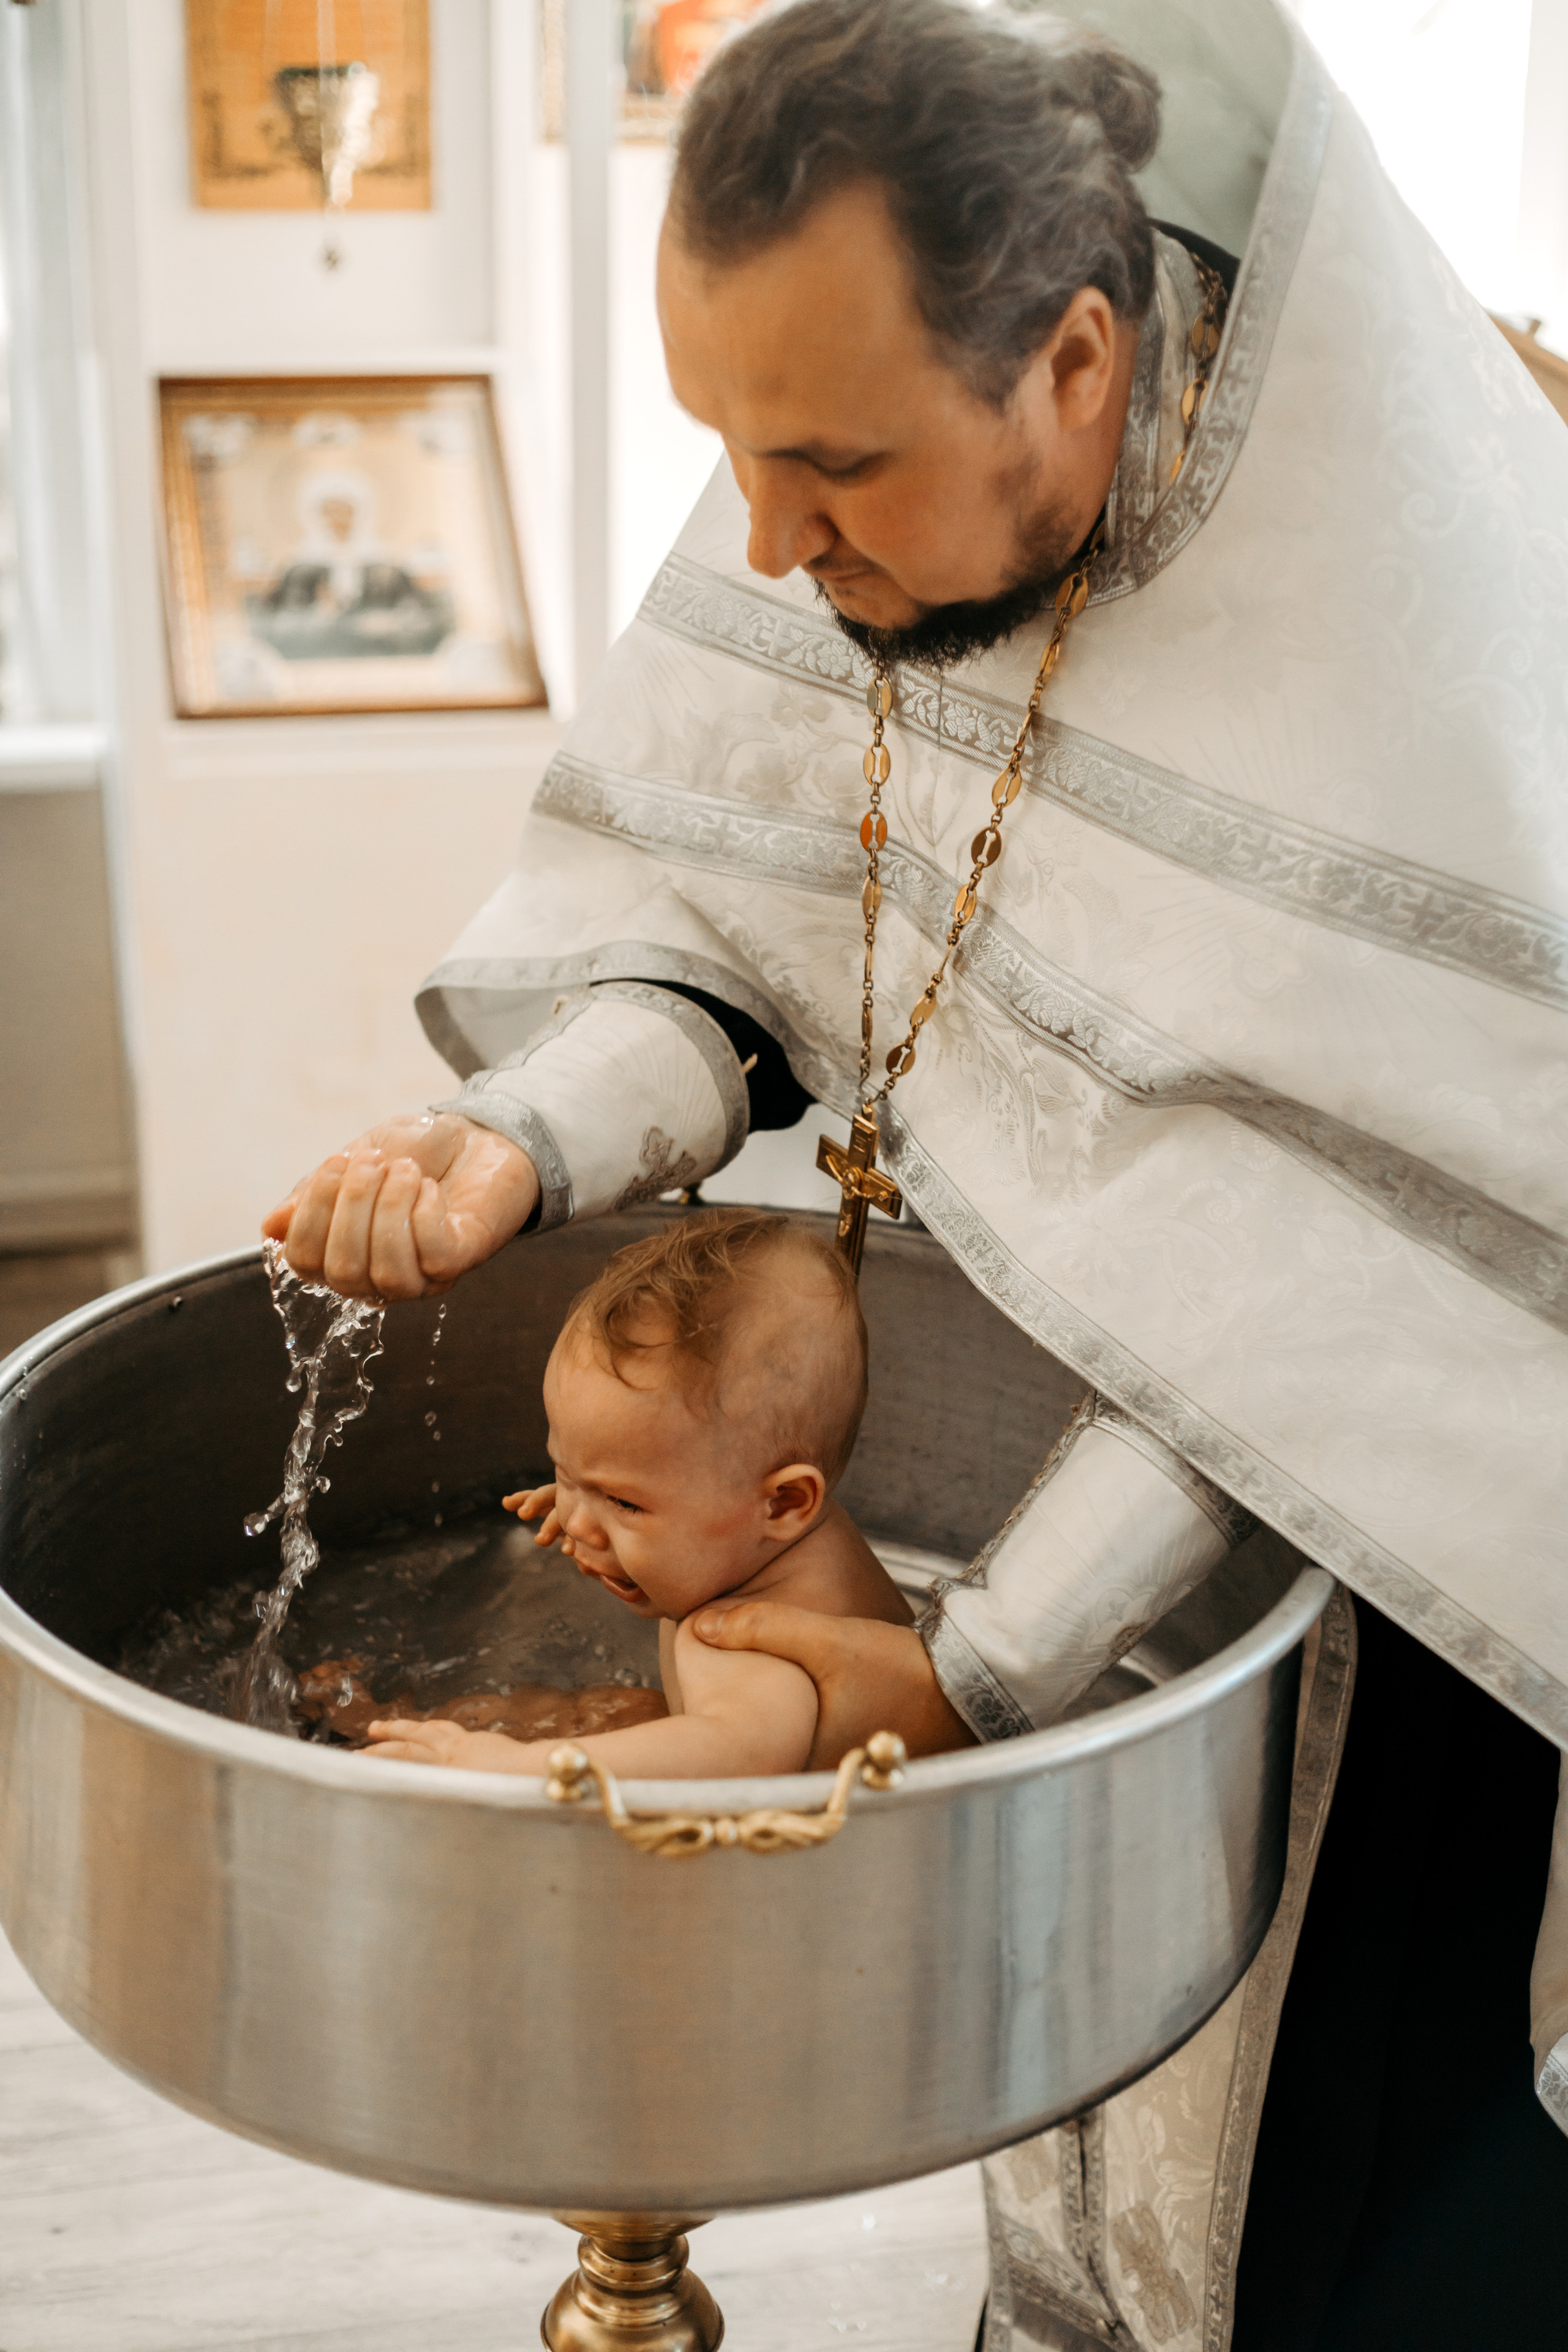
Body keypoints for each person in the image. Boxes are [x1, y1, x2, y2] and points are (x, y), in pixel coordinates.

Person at [263, 1, 1568, 2342]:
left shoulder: (1435, 660)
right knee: (1072, 2181)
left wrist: (972, 1664)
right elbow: (745, 950)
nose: (765, 543)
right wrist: (516, 1140)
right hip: (1067, 1639)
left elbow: (1321, 1298)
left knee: (1331, 2246)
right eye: (723, 455)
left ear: (1075, 360)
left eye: (828, 468)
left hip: (1404, 1651)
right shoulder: (855, 484)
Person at [361, 1209, 913, 1776]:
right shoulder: (770, 1537)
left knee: (573, 1727)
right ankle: (396, 1727)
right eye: (565, 1473)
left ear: (784, 1503)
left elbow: (741, 1754)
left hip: (821, 1850)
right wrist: (595, 1498)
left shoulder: (754, 1638)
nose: (575, 1523)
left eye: (624, 1501)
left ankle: (412, 1741)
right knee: (605, 1712)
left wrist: (511, 1768)